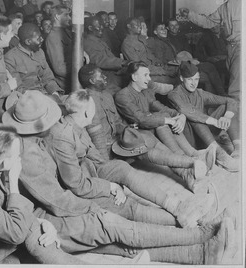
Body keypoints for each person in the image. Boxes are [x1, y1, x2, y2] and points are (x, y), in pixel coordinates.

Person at [1, 90, 234, 265]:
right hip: (48, 214)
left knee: (123, 220)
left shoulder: (37, 139)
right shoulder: (29, 154)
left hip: (63, 199)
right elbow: (58, 198)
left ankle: (198, 234)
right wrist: (98, 200)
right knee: (116, 223)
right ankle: (200, 235)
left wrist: (106, 188)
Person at [50, 90, 215, 227]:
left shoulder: (76, 124)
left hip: (91, 170)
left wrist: (117, 182)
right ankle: (183, 215)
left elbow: (96, 158)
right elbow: (77, 185)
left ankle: (177, 206)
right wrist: (110, 187)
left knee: (122, 168)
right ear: (87, 113)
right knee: (127, 205)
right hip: (81, 184)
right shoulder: (63, 136)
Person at [0, 125, 87, 264]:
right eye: (17, 155)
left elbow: (2, 211)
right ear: (4, 162)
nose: (19, 158)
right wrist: (13, 183)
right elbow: (15, 234)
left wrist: (42, 222)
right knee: (32, 233)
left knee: (38, 231)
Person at [114, 62, 215, 191]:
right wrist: (168, 120)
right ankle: (191, 164)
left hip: (153, 128)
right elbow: (142, 119)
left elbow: (160, 108)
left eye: (149, 75)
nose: (149, 78)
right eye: (145, 75)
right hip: (137, 136)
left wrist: (179, 116)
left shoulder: (145, 92)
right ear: (134, 77)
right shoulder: (123, 95)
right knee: (163, 123)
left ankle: (193, 157)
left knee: (164, 120)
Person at [168, 61, 239, 171]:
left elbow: (230, 101)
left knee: (226, 108)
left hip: (205, 136)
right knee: (195, 117)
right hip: (190, 138)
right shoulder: (174, 94)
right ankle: (221, 156)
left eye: (196, 79)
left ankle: (238, 148)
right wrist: (215, 122)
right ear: (182, 78)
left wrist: (227, 116)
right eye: (190, 79)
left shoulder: (200, 93)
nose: (194, 83)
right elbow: (187, 110)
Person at [178, 0, 240, 101]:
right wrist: (189, 14)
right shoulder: (223, 8)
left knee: (236, 87)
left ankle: (233, 116)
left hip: (241, 47)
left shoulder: (242, 2)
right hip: (231, 49)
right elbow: (208, 22)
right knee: (235, 80)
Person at [148, 22, 226, 96]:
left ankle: (215, 96)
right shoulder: (157, 43)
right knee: (209, 67)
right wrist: (183, 62)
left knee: (209, 68)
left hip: (181, 63)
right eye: (161, 29)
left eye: (165, 28)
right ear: (155, 32)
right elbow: (162, 61)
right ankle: (220, 94)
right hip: (178, 66)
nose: (164, 30)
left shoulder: (166, 40)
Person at [5, 23, 63, 97]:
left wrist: (54, 93)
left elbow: (48, 78)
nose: (42, 39)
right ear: (28, 42)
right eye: (38, 39)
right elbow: (18, 89)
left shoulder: (40, 52)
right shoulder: (10, 58)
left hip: (46, 95)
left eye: (41, 37)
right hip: (28, 99)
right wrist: (42, 98)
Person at [121, 17, 178, 85]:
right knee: (176, 80)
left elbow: (151, 57)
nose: (140, 27)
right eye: (137, 25)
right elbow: (139, 67)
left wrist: (163, 66)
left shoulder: (141, 39)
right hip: (146, 75)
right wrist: (163, 71)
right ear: (129, 26)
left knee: (178, 72)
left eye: (140, 25)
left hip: (154, 69)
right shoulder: (127, 44)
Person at [45, 4, 72, 92]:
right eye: (66, 15)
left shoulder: (66, 32)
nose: (69, 18)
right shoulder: (53, 37)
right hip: (66, 84)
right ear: (57, 17)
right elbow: (60, 69)